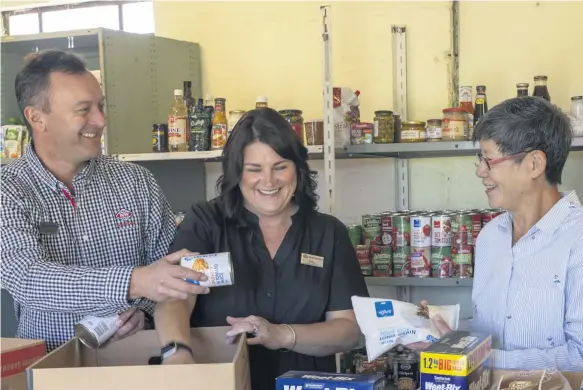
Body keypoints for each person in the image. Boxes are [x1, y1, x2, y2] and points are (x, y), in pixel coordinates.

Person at [0, 49, 209, 351]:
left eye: (100, 106)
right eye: (84, 109)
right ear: (37, 118)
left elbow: (170, 268)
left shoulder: (135, 181)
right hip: (51, 366)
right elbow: (28, 279)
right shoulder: (8, 190)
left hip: (136, 362)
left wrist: (146, 310)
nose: (100, 120)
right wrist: (133, 283)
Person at [154, 108, 368, 390]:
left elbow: (350, 330)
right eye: (254, 169)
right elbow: (175, 297)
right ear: (236, 172)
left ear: (298, 168)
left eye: (280, 167)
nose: (268, 181)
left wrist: (280, 335)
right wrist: (177, 353)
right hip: (221, 382)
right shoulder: (206, 223)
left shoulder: (328, 233)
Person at [414, 96, 583, 371]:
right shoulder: (490, 236)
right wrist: (447, 339)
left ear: (534, 164)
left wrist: (482, 359)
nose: (481, 171)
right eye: (480, 159)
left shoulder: (578, 239)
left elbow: (580, 358)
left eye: (490, 160)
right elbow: (492, 331)